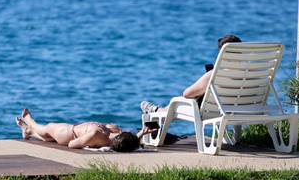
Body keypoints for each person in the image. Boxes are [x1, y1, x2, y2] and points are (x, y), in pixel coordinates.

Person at [141, 34, 242, 113]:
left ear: (222, 54)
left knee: (175, 101)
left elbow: (187, 93)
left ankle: (158, 111)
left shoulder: (215, 74)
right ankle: (159, 110)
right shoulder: (248, 75)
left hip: (212, 110)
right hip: (238, 108)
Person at [16, 108, 156, 152]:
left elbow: (72, 144)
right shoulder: (119, 137)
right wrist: (142, 133)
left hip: (69, 133)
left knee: (46, 128)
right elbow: (129, 143)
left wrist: (87, 139)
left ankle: (30, 123)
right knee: (47, 137)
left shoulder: (98, 136)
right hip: (73, 130)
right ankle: (28, 131)